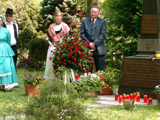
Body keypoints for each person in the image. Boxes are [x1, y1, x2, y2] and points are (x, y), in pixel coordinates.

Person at [44, 11, 70, 80]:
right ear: (54, 17)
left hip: (62, 47)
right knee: (51, 64)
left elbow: (67, 38)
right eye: (56, 16)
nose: (58, 17)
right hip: (53, 46)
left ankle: (63, 80)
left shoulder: (65, 26)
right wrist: (51, 46)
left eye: (59, 16)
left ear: (61, 17)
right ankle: (51, 81)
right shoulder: (51, 26)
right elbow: (49, 38)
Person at [80, 5, 107, 72]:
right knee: (87, 71)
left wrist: (94, 43)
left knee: (100, 71)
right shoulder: (85, 21)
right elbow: (82, 34)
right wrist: (89, 44)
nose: (93, 13)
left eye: (95, 12)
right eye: (92, 12)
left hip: (99, 49)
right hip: (87, 49)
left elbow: (103, 35)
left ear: (98, 13)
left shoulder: (102, 22)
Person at [0, 14, 18, 91]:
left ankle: (5, 84)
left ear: (2, 21)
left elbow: (8, 41)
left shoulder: (6, 31)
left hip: (5, 49)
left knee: (5, 66)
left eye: (0, 20)